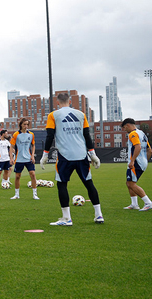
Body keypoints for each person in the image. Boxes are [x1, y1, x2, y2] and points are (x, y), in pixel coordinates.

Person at [41, 92, 103, 226]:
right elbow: (87, 135)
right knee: (89, 184)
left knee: (62, 184)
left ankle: (67, 218)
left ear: (57, 102)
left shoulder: (53, 115)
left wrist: (45, 154)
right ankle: (99, 215)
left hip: (65, 155)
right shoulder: (81, 114)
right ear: (70, 102)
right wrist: (92, 154)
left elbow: (50, 135)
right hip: (82, 155)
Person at [120, 118, 152, 211]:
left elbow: (138, 147)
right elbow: (149, 150)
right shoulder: (142, 134)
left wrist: (132, 161)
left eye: (124, 128)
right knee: (129, 183)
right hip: (142, 162)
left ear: (127, 125)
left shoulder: (132, 134)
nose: (125, 130)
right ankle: (134, 204)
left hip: (136, 162)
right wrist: (145, 161)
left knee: (131, 184)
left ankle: (148, 202)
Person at [10, 119, 39, 200]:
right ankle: (16, 195)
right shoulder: (16, 134)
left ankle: (35, 194)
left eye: (27, 124)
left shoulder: (31, 134)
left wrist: (32, 155)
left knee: (33, 174)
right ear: (21, 125)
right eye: (24, 124)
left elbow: (33, 145)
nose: (26, 126)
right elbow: (11, 146)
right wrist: (11, 158)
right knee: (17, 176)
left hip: (28, 158)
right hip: (19, 159)